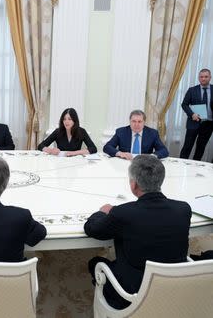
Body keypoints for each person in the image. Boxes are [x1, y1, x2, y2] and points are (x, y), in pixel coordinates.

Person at [84, 155, 191, 309]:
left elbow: (92, 229)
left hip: (132, 293)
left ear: (133, 185)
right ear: (161, 180)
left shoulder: (123, 213)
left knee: (95, 263)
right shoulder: (183, 209)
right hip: (175, 287)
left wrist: (102, 212)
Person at [103, 110, 169, 159]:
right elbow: (107, 147)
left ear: (144, 122)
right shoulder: (121, 132)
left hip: (144, 164)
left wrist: (152, 156)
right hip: (125, 162)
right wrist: (120, 153)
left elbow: (164, 150)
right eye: (134, 121)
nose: (136, 124)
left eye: (139, 122)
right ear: (130, 121)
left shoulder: (152, 133)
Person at [180, 68, 213, 160]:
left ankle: (195, 169)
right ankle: (180, 167)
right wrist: (192, 114)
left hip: (209, 125)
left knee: (200, 148)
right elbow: (184, 104)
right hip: (193, 122)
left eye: (206, 77)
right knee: (187, 147)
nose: (203, 79)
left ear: (210, 77)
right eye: (201, 77)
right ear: (199, 78)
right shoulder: (192, 90)